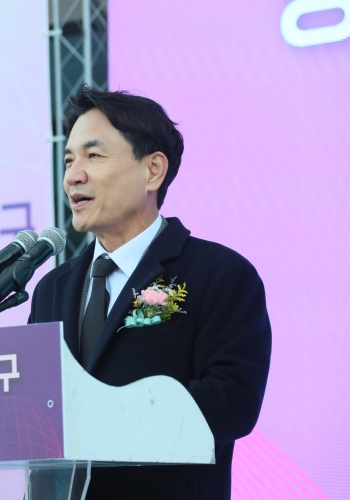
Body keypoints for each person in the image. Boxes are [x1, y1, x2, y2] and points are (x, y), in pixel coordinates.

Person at [28, 86, 271, 499]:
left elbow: (232, 402)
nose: (72, 176)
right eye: (68, 160)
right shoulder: (53, 288)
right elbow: (32, 408)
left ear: (153, 171)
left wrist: (96, 424)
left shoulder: (219, 274)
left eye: (93, 156)